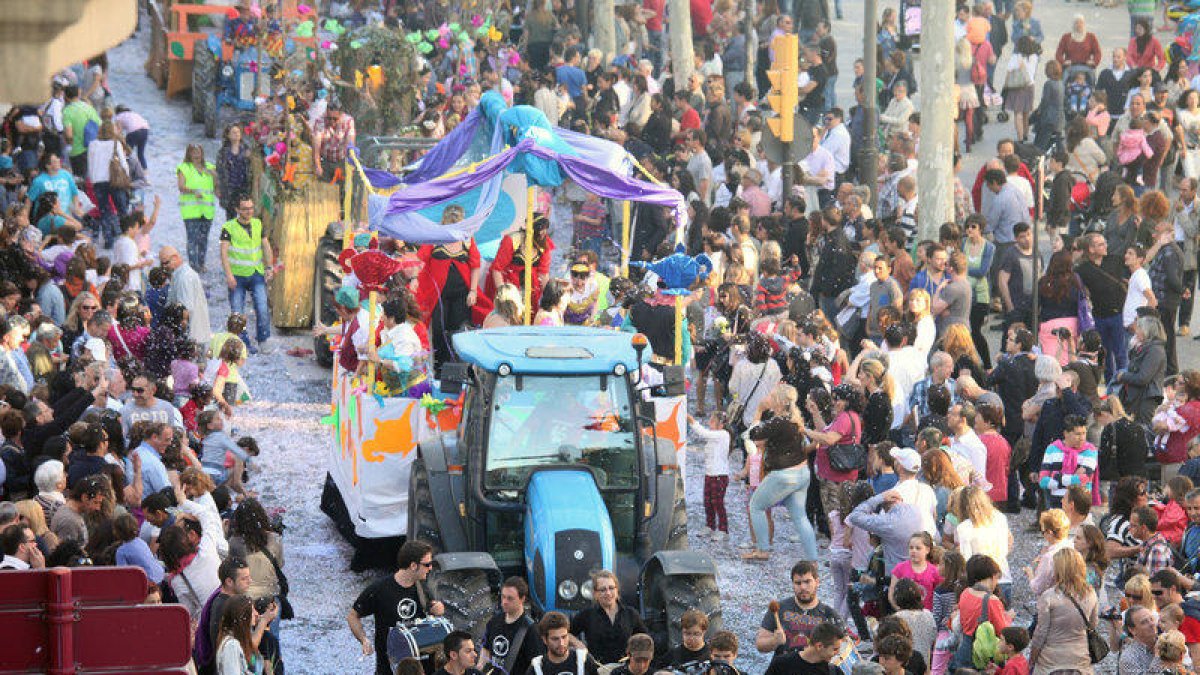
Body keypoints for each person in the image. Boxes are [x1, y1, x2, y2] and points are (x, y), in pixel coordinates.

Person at [348, 540, 446, 675]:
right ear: (413, 565)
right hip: (390, 668)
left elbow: (434, 612)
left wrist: (438, 609)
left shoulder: (424, 587)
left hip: (422, 668)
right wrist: (363, 639)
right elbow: (353, 616)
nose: (430, 568)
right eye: (427, 564)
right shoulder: (379, 589)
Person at [219, 195, 276, 354]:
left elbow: (266, 246)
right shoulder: (229, 227)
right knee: (237, 310)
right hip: (237, 275)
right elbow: (223, 252)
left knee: (262, 307)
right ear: (237, 210)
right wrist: (229, 275)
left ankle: (263, 339)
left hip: (256, 273)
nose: (249, 211)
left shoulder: (258, 224)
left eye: (251, 208)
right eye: (245, 209)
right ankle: (242, 342)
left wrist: (269, 267)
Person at [1028, 548, 1098, 675]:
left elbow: (1040, 632)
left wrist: (1032, 658)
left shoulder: (1048, 596)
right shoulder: (1090, 593)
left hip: (1051, 662)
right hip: (1080, 660)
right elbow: (1093, 624)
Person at [755, 561, 841, 654]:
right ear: (793, 584)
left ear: (817, 582)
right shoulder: (778, 608)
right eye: (798, 583)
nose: (803, 587)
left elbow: (842, 651)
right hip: (783, 666)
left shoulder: (829, 615)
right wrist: (774, 641)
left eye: (807, 582)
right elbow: (760, 645)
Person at [569, 570, 647, 665]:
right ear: (595, 593)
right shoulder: (587, 615)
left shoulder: (631, 614)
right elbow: (566, 633)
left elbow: (645, 638)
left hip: (625, 669)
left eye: (611, 588)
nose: (608, 593)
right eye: (603, 590)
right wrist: (578, 643)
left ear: (617, 590)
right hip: (597, 669)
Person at [478, 577, 541, 675]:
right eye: (503, 597)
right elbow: (486, 649)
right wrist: (480, 667)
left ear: (522, 599)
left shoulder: (531, 630)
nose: (504, 602)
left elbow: (537, 665)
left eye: (510, 598)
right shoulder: (494, 622)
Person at [177, 144, 217, 272]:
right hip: (191, 212)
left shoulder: (210, 167)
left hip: (207, 211)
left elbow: (218, 182)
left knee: (204, 239)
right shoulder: (184, 168)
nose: (196, 155)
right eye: (193, 152)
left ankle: (201, 264)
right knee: (192, 239)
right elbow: (181, 187)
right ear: (189, 154)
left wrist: (214, 174)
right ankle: (193, 266)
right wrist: (193, 191)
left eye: (198, 152)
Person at [527, 611, 601, 675]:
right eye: (555, 639)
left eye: (564, 637)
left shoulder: (585, 660)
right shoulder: (536, 668)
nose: (561, 643)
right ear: (544, 640)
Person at [762, 621, 846, 675]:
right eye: (835, 649)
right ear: (819, 646)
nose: (838, 653)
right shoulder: (781, 665)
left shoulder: (834, 672)